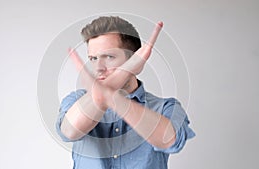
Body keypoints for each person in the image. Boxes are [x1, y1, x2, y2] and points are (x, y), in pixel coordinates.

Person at [56, 16, 195, 169]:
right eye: (93, 58)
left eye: (109, 56)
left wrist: (110, 94)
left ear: (134, 58)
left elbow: (171, 141)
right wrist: (120, 77)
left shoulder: (166, 107)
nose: (98, 68)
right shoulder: (78, 100)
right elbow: (69, 131)